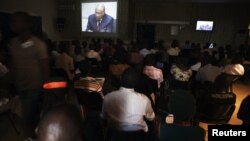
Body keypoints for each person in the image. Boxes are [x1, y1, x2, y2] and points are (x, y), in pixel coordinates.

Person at [9, 11, 50, 138]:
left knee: (27, 118)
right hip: (20, 87)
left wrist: (46, 90)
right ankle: (37, 134)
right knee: (31, 117)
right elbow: (13, 65)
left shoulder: (38, 45)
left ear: (26, 24)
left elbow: (45, 69)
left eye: (16, 21)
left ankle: (31, 136)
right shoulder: (13, 43)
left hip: (34, 88)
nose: (12, 24)